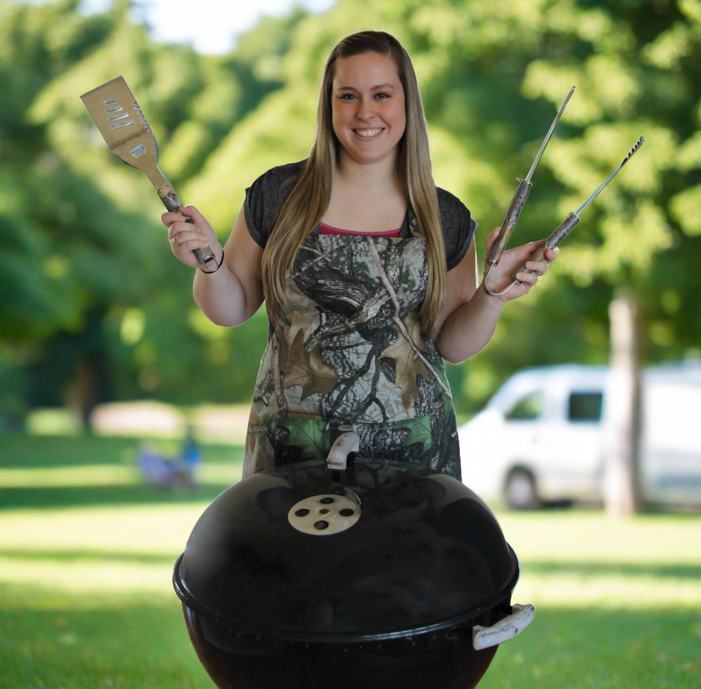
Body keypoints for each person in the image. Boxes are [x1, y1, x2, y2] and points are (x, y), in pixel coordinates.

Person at [161, 30, 557, 481]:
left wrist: (493, 294)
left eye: (381, 94)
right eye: (348, 96)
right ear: (328, 105)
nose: (365, 112)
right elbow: (229, 310)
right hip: (292, 445)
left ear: (407, 103)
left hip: (411, 449)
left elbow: (452, 344)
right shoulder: (278, 195)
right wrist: (209, 262)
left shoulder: (444, 216)